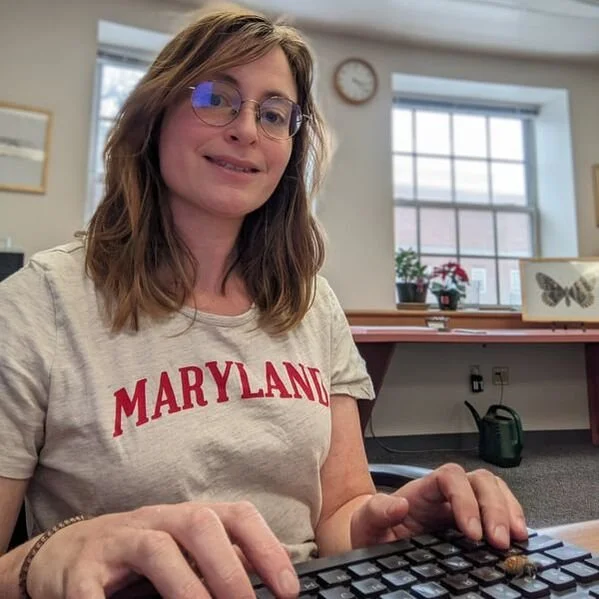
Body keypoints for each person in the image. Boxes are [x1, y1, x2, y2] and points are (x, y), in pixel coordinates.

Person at [0, 4, 529, 598]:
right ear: (155, 118)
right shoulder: (37, 307)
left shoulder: (311, 304)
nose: (247, 129)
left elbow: (339, 518)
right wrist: (47, 555)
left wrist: (393, 517)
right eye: (215, 98)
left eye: (274, 113)